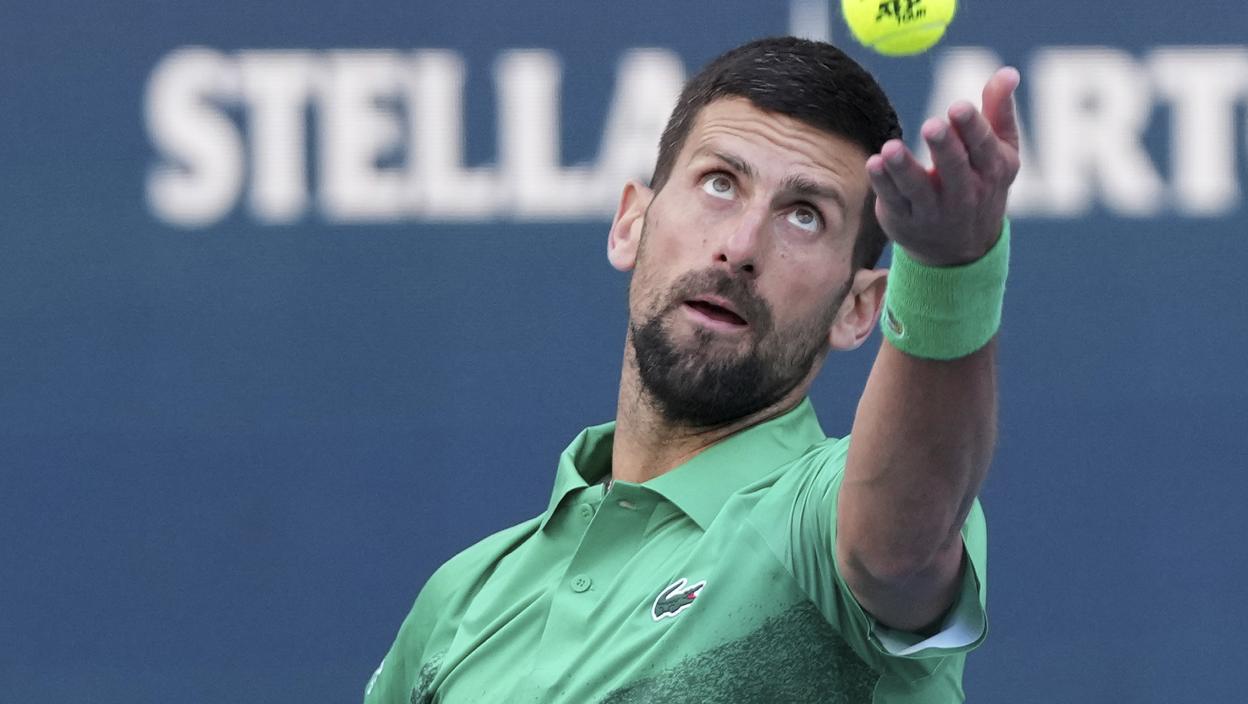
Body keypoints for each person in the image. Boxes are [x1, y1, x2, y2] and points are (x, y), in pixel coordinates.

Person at [364, 36, 1019, 703]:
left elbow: (899, 551)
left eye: (804, 216)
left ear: (857, 309)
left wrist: (950, 271)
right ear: (631, 222)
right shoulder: (460, 603)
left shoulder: (823, 522)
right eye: (719, 183)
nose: (740, 247)